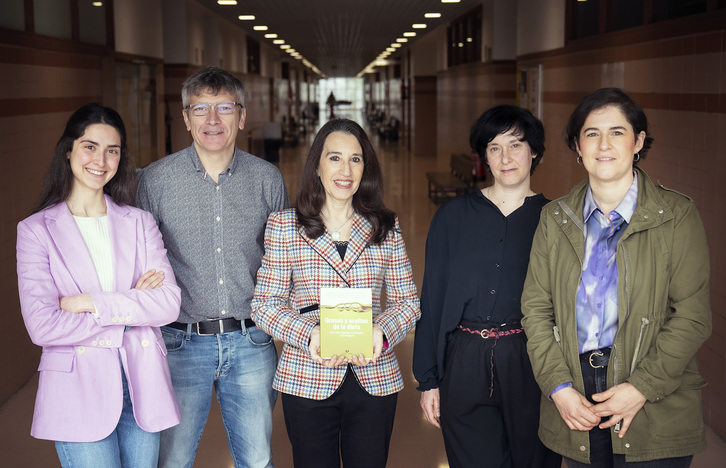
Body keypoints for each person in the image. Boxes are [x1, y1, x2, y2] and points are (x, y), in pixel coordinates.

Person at [521, 88, 712, 467]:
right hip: (576, 394)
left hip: (652, 393)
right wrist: (559, 388)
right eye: (591, 133)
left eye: (618, 132)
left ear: (638, 141)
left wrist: (642, 387)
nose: (603, 144)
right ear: (577, 145)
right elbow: (536, 311)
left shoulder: (677, 215)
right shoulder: (554, 219)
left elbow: (692, 316)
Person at [136, 67, 289, 468]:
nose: (212, 120)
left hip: (251, 341)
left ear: (241, 116)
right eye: (200, 108)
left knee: (256, 461)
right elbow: (138, 260)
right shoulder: (156, 180)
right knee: (173, 460)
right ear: (186, 118)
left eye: (224, 107)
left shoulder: (267, 179)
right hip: (179, 343)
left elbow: (286, 261)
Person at [16, 103, 182, 467]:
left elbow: (168, 304)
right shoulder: (35, 231)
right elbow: (43, 325)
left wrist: (89, 301)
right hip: (77, 389)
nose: (101, 160)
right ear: (69, 151)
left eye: (113, 150)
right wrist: (133, 304)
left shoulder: (139, 222)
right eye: (90, 146)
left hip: (141, 385)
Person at [251, 118, 420, 468]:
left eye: (356, 159)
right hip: (308, 377)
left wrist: (382, 332)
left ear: (365, 168)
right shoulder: (285, 226)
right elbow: (264, 305)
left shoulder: (384, 227)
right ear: (316, 165)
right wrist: (308, 334)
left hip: (373, 377)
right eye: (335, 158)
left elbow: (408, 302)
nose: (345, 170)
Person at [413, 105, 561, 468]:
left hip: (532, 359)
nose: (506, 157)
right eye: (494, 148)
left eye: (516, 145)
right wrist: (429, 380)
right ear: (484, 157)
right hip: (464, 359)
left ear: (535, 152)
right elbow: (431, 299)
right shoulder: (452, 217)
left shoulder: (557, 220)